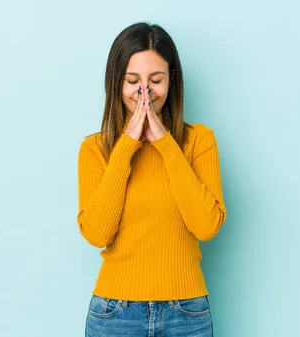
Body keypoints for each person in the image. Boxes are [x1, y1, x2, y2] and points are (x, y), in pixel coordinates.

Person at [77, 21, 227, 337]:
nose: (144, 92)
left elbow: (206, 225)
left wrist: (165, 143)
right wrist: (127, 145)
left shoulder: (199, 141)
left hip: (186, 314)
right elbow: (97, 233)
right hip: (114, 314)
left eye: (155, 80)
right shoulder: (95, 149)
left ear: (171, 80)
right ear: (117, 83)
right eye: (133, 80)